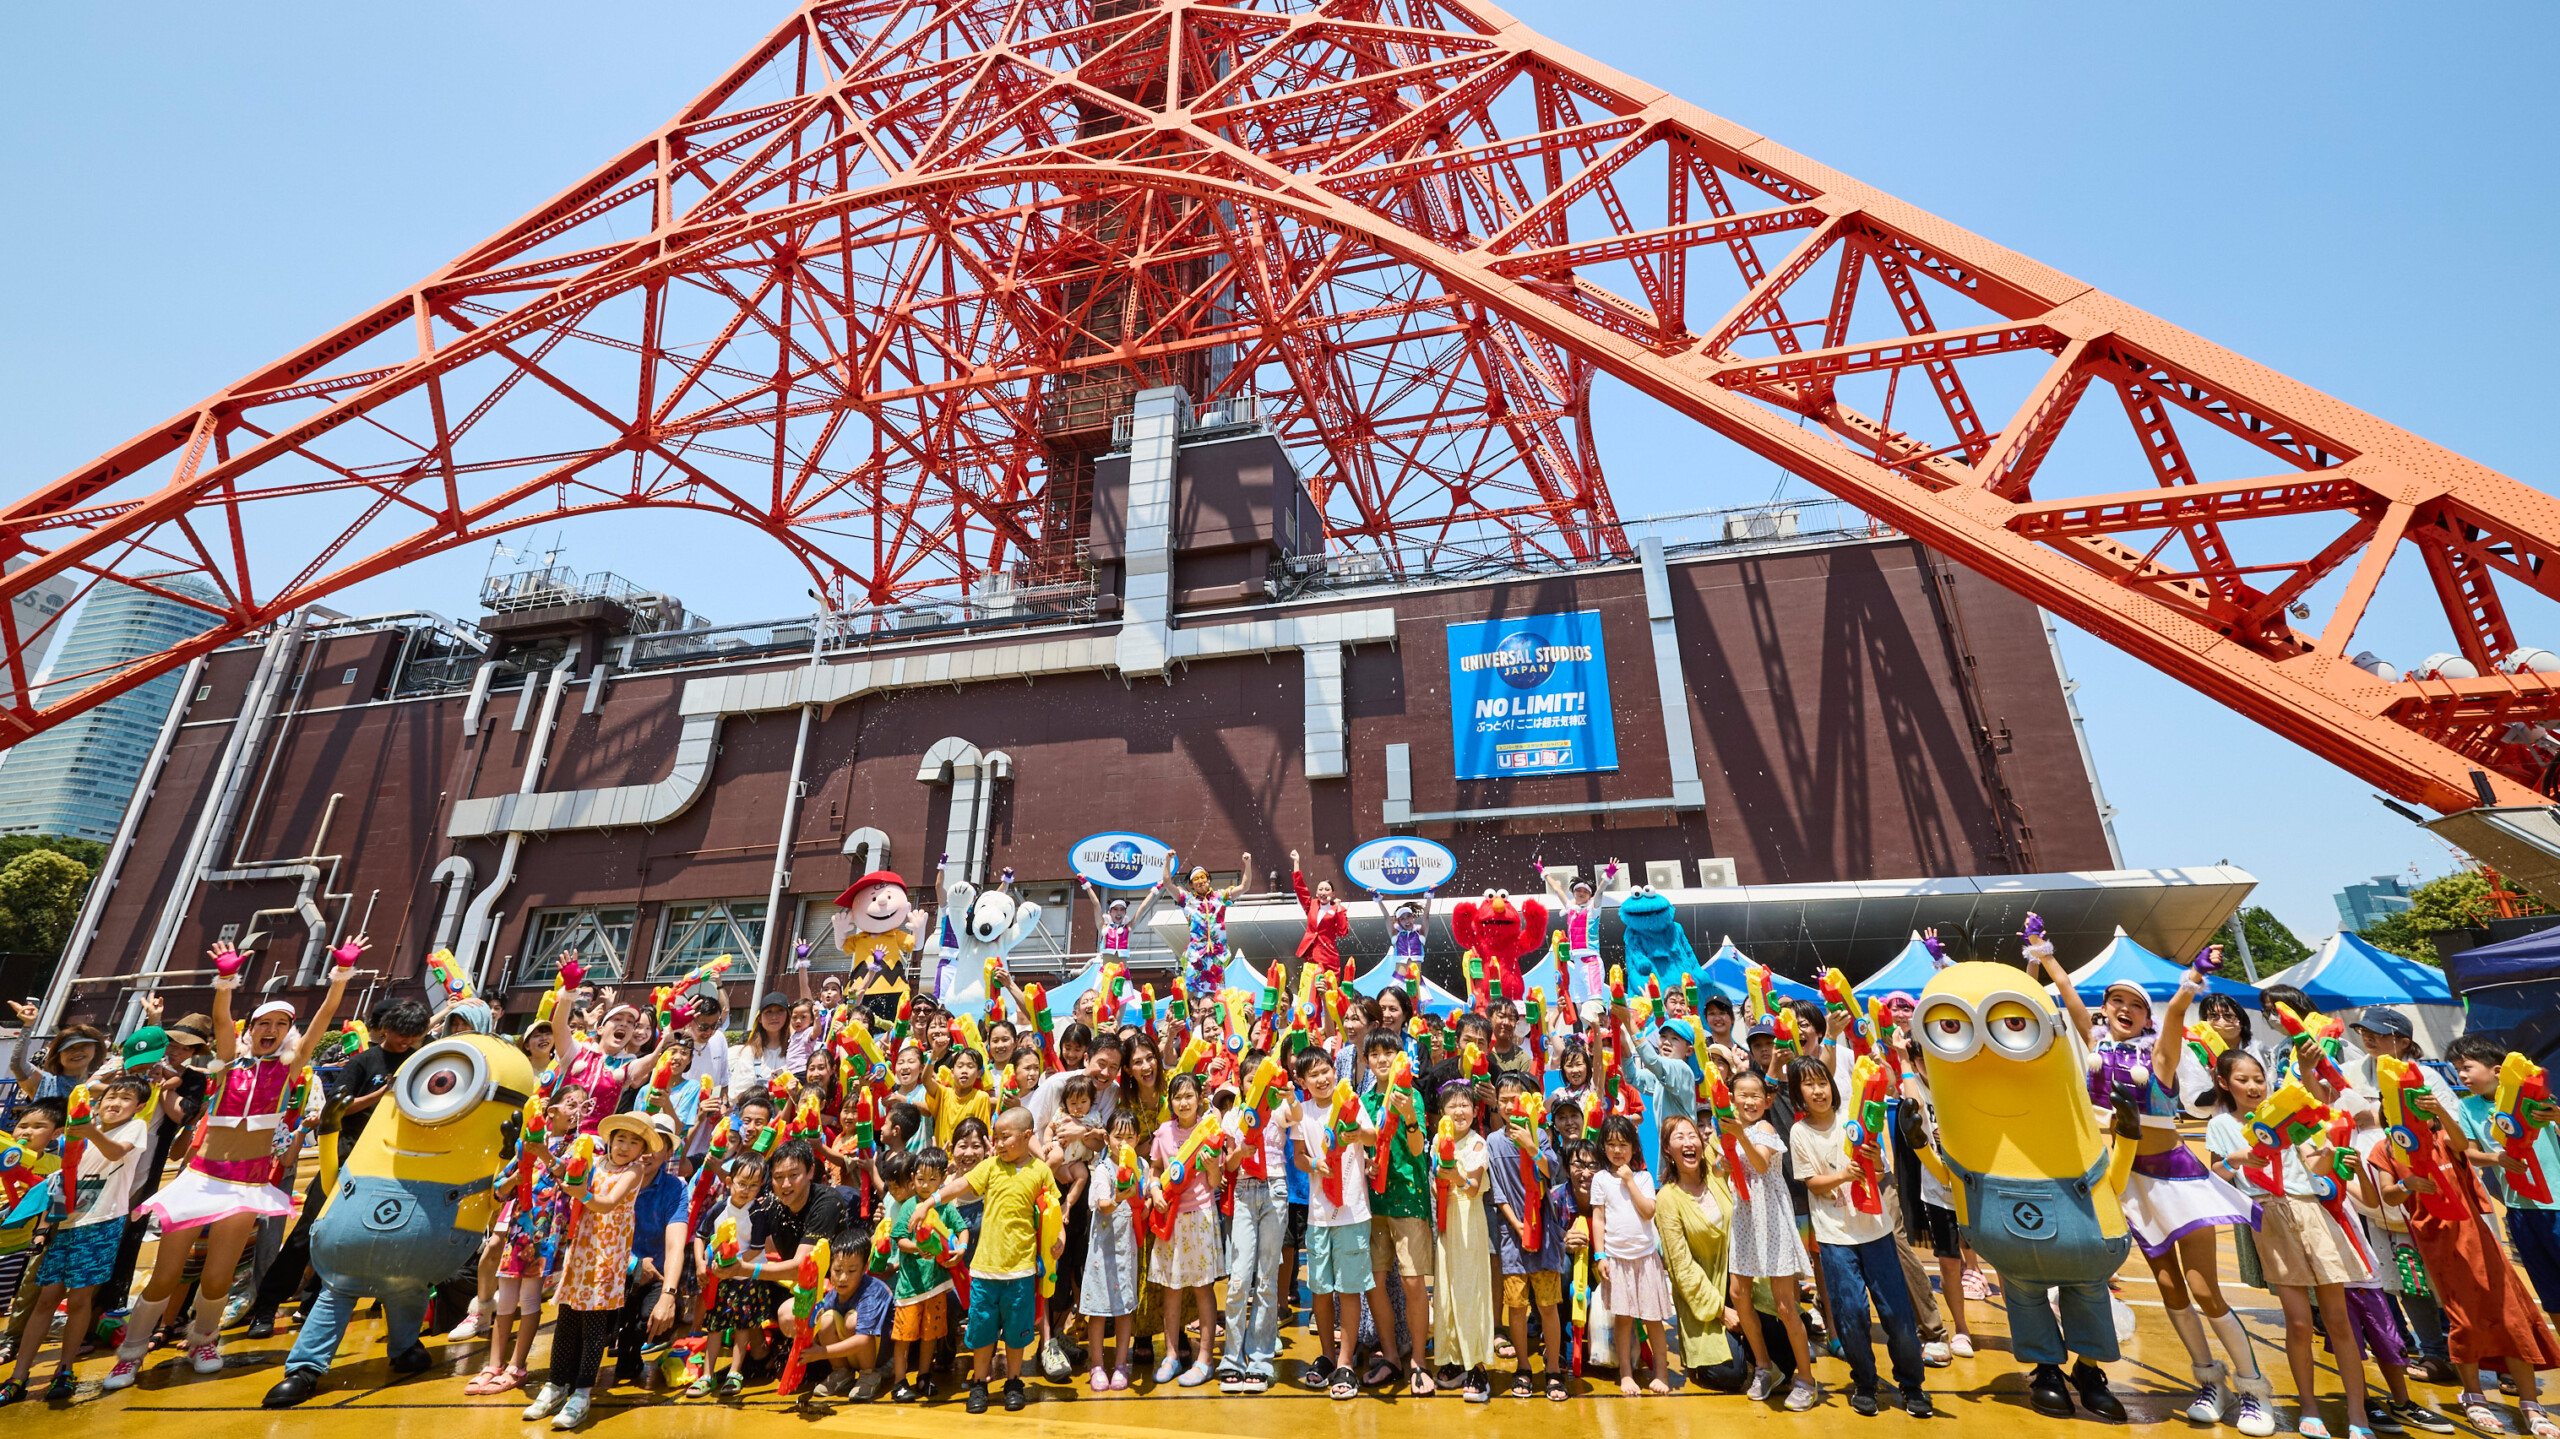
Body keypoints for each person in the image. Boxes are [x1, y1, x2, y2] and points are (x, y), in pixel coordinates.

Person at [113, 937, 360, 1386]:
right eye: (264, 1022)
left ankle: (202, 1338)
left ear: (289, 1032)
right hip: (201, 1179)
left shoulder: (288, 1069)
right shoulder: (228, 1064)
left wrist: (340, 976)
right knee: (166, 1275)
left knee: (218, 1277)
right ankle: (130, 1353)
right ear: (252, 1029)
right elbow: (222, 1019)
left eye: (282, 1024)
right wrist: (226, 981)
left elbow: (324, 1018)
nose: (272, 1030)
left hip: (247, 1185)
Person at [2042, 957, 2266, 1429]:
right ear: (2105, 1010)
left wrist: (2190, 984)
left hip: (2177, 1177)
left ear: (2147, 1016)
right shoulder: (2093, 1044)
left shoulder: (2159, 1054)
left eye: (2136, 1005)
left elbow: (2176, 1018)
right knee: (2169, 1288)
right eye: (2116, 1002)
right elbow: (2066, 992)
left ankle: (2253, 1388)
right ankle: (2210, 1380)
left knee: (2204, 1288)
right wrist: (2045, 956)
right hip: (2129, 1181)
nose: (2125, 1009)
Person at [2206, 1048, 2370, 1438]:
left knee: (2338, 1322)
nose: (2253, 1086)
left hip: (2312, 1213)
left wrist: (2331, 1152)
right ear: (2223, 1083)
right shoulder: (2221, 1125)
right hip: (2270, 1219)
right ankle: (2308, 1407)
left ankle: (2358, 1415)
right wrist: (2237, 1159)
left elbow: (2315, 1168)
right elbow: (2213, 1176)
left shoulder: (2290, 1114)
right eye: (2242, 1080)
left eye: (2258, 1079)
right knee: (2297, 1323)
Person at [251, 998, 433, 1335]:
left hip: (391, 1158)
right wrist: (381, 1094)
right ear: (386, 1030)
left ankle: (316, 1303)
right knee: (310, 1229)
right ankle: (266, 1305)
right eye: (401, 1036)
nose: (406, 1043)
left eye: (414, 1037)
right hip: (347, 1153)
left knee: (359, 1235)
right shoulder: (367, 1061)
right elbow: (337, 1108)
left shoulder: (420, 1062)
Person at [1787, 1056, 1929, 1417]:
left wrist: (1874, 1158)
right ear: (1798, 1092)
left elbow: (1880, 1169)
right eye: (1808, 1085)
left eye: (1822, 1083)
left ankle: (1912, 1385)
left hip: (1876, 1232)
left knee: (1897, 1314)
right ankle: (1864, 1383)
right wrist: (1843, 1177)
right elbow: (1811, 1183)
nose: (1818, 1091)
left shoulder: (1854, 1118)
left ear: (1832, 1087)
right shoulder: (1800, 1132)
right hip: (1835, 1238)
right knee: (1851, 1314)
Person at [0, 1075, 146, 1405]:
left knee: (80, 1301)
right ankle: (18, 1376)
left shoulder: (132, 1129)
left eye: (126, 1099)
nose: (116, 1103)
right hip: (65, 1226)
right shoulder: (76, 1135)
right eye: (111, 1096)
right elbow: (62, 1183)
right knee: (46, 1299)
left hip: (101, 1224)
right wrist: (43, 1228)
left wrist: (89, 1128)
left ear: (138, 1107)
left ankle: (64, 1370)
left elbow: (115, 1154)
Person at [523, 1110, 663, 1429]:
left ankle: (583, 1392)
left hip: (607, 1256)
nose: (625, 1147)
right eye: (620, 1139)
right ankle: (556, 1385)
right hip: (582, 1250)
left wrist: (581, 1192)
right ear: (610, 1141)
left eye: (633, 1142)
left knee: (594, 1325)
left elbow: (607, 1202)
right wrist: (543, 1152)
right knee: (567, 1319)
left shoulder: (633, 1173)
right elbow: (567, 1171)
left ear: (642, 1150)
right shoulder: (596, 1161)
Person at [926, 1106, 1061, 1414]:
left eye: (1004, 1137)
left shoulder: (1040, 1171)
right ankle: (979, 1383)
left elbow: (1054, 1213)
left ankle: (1014, 1382)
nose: (998, 1144)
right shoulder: (991, 1167)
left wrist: (1060, 1242)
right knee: (983, 1330)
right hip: (985, 1271)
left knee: (1017, 1333)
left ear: (1027, 1136)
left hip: (1022, 1270)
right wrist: (931, 1201)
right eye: (996, 1137)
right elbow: (960, 1185)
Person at [466, 1081, 584, 1396]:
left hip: (547, 1233)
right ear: (551, 1110)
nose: (577, 1112)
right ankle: (493, 1365)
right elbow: (499, 1189)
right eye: (572, 1104)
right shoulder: (524, 1143)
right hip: (519, 1229)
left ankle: (517, 1366)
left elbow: (571, 1175)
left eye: (583, 1107)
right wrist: (514, 1180)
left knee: (530, 1299)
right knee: (506, 1298)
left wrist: (543, 1153)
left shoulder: (581, 1144)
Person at [1719, 1066, 1817, 1408]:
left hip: (1771, 1218)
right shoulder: (1734, 1130)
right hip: (1745, 1219)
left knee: (1785, 1305)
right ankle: (1763, 1366)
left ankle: (1805, 1378)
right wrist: (1724, 1156)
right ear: (1731, 1098)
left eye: (1755, 1095)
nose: (1748, 1101)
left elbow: (1761, 1164)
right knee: (1738, 1293)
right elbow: (1723, 1168)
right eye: (1742, 1095)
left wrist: (1739, 1137)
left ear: (1767, 1100)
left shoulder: (1764, 1128)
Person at [1291, 1046, 1377, 1400]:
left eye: (1327, 1070)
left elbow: (1372, 1136)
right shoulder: (1303, 1113)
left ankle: (1345, 1360)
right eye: (1314, 1074)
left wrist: (1355, 1136)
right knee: (1322, 1289)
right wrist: (1315, 1165)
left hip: (1353, 1212)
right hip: (1318, 1214)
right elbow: (1298, 1157)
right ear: (1303, 1082)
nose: (1323, 1078)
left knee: (1349, 1288)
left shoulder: (1350, 1101)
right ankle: (1327, 1354)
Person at [1488, 1072, 1574, 1399]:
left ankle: (1552, 1368)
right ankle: (1523, 1367)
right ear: (1497, 1104)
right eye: (1505, 1099)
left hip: (1546, 1234)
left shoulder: (1541, 1135)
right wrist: (1517, 1224)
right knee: (1516, 1306)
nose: (1511, 1104)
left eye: (1517, 1098)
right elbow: (1498, 1193)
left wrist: (1532, 1147)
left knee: (1548, 1305)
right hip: (1512, 1237)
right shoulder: (1493, 1142)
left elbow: (1553, 1171)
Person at [1359, 1031, 1432, 1392]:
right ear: (1367, 1061)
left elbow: (1418, 1151)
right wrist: (1368, 1165)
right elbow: (1359, 1147)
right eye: (1375, 1054)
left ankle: (1418, 1359)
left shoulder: (1412, 1095)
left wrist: (1409, 1117)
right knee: (1374, 1281)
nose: (1383, 1059)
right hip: (1374, 1202)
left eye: (1389, 1052)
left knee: (1413, 1282)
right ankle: (1390, 1355)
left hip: (1408, 1197)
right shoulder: (1365, 1101)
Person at [1656, 1113, 1748, 1394]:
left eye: (1692, 1135)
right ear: (1668, 1150)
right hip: (1707, 1305)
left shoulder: (1715, 1170)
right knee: (1732, 1374)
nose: (1688, 1142)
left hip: (1743, 1287)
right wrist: (1723, 1312)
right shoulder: (1668, 1199)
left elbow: (1728, 1123)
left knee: (1782, 1359)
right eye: (1679, 1137)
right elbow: (1682, 1269)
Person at [1217, 1045, 1288, 1393]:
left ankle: (1260, 1359)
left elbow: (1299, 1118)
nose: (1254, 1086)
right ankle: (1231, 1357)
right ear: (1242, 1083)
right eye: (1250, 1079)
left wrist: (1286, 1093)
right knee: (1239, 1279)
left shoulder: (1279, 1109)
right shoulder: (1233, 1117)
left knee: (1267, 1280)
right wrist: (1241, 1152)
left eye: (1261, 1080)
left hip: (1275, 1188)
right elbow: (1228, 1165)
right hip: (1245, 1192)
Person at [1148, 1072, 1224, 1387]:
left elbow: (1216, 1181)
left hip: (1201, 1217)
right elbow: (1154, 1171)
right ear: (1171, 1102)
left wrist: (1211, 1167)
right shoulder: (1163, 1133)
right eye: (1178, 1097)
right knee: (1171, 1288)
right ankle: (1171, 1356)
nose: (1184, 1102)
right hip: (1171, 1219)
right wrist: (1154, 1192)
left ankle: (1205, 1358)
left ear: (1199, 1099)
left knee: (1203, 1288)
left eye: (1189, 1096)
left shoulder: (1209, 1133)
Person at [611, 1113, 691, 1390]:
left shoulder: (675, 1189)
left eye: (657, 1144)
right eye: (643, 1141)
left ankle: (631, 1346)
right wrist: (634, 1265)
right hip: (612, 1272)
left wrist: (669, 1295)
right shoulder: (612, 1177)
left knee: (659, 1316)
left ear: (668, 1151)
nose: (647, 1152)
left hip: (655, 1278)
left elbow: (674, 1246)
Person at [1432, 1081, 1499, 1401]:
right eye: (1452, 1106)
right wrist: (1440, 1185)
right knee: (1446, 1291)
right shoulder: (1437, 1140)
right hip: (1445, 1223)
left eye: (1465, 1106)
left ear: (1475, 1111)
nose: (1459, 1111)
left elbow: (1472, 1188)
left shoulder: (1477, 1144)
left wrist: (1453, 1176)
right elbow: (1434, 1182)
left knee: (1471, 1292)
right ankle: (1453, 1358)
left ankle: (1477, 1366)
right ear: (1442, 1114)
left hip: (1469, 1223)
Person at [888, 1147, 967, 1402]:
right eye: (920, 1179)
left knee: (930, 1333)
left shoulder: (944, 1205)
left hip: (937, 1285)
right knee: (904, 1336)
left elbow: (962, 1228)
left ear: (943, 1178)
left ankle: (924, 1376)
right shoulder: (909, 1206)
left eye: (932, 1179)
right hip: (911, 1287)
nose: (925, 1185)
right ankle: (900, 1381)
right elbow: (899, 1239)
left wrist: (962, 1248)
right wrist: (918, 1248)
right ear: (912, 1178)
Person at [1083, 1110, 1144, 1391]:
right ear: (1108, 1138)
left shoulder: (1140, 1165)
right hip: (1101, 1251)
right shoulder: (1102, 1169)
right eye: (1118, 1137)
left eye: (1129, 1137)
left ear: (1138, 1138)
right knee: (1097, 1311)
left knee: (1123, 1309)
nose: (1124, 1143)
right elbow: (1104, 1204)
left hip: (1126, 1250)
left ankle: (1121, 1363)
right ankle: (1097, 1364)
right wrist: (1122, 1196)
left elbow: (1152, 1186)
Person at [1289, 849, 1350, 985]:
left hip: (1328, 957)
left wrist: (1339, 909)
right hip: (1311, 956)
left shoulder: (1338, 909)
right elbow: (1300, 888)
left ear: (1332, 893)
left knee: (1329, 994)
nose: (1323, 892)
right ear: (1316, 892)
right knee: (1309, 993)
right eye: (1320, 889)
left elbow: (1343, 932)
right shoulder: (1311, 905)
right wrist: (1296, 862)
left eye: (1327, 889)